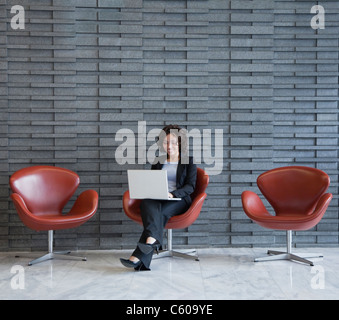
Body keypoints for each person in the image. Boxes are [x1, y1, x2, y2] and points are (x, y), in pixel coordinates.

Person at [120, 124, 197, 271]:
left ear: (180, 143)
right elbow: (152, 181)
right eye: (165, 142)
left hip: (179, 199)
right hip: (158, 196)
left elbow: (190, 187)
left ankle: (138, 256)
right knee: (145, 203)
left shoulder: (188, 160)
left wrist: (172, 194)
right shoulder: (158, 160)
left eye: (173, 142)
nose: (169, 146)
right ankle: (151, 243)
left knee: (160, 213)